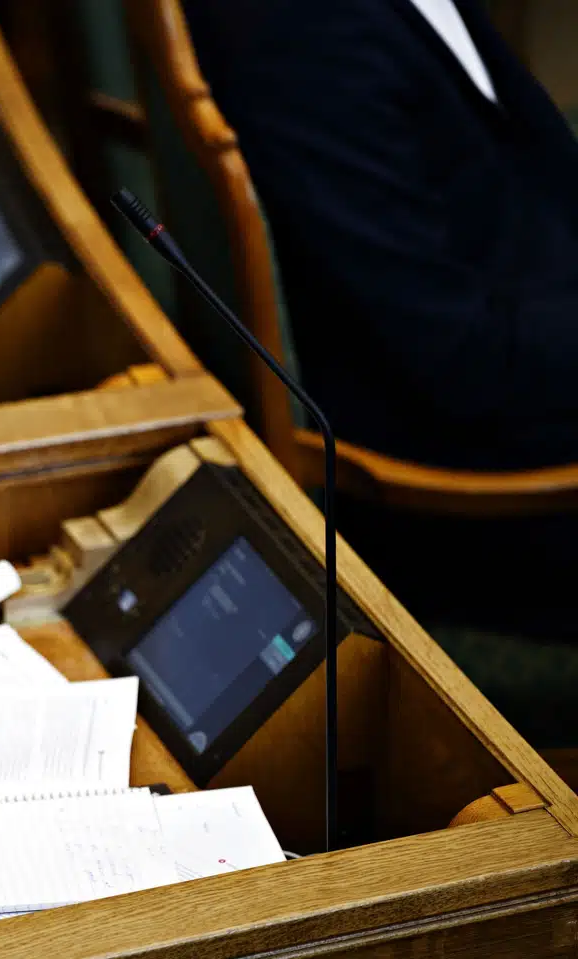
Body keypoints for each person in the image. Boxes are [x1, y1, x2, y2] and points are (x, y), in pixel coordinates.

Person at [178, 0, 578, 640]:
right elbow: (458, 358)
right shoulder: (309, 36)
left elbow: (520, 164)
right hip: (471, 487)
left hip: (516, 310)